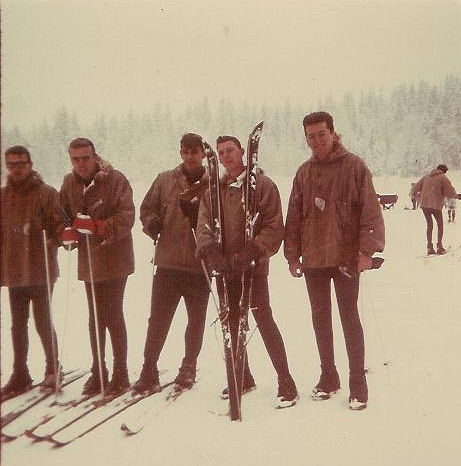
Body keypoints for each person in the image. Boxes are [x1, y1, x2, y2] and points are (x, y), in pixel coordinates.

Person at [284, 111, 385, 410]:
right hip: (313, 258)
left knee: (349, 318)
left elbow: (371, 211)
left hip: (345, 258)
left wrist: (366, 251)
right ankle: (329, 377)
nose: (316, 141)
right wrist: (292, 255)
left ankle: (358, 384)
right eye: (310, 136)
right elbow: (293, 217)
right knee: (320, 319)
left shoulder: (354, 166)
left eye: (321, 134)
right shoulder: (303, 173)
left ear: (332, 133)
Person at [196, 135, 298, 409]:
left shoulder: (262, 186)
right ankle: (242, 377)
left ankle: (286, 381)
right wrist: (211, 252)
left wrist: (253, 250)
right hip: (225, 268)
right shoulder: (214, 192)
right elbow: (204, 225)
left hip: (252, 268)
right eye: (221, 153)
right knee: (231, 324)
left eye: (230, 150)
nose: (226, 156)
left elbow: (274, 225)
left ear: (243, 152)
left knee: (262, 319)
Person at [132, 133, 210, 395]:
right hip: (168, 264)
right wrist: (151, 223)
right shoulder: (165, 179)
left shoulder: (214, 184)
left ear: (202, 153)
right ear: (180, 153)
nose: (190, 156)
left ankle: (189, 365)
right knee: (158, 320)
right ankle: (149, 368)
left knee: (196, 320)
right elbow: (146, 209)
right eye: (185, 151)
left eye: (195, 151)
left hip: (200, 266)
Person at [60, 138, 135, 396]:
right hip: (89, 261)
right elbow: (62, 216)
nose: (81, 163)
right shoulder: (69, 184)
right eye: (75, 159)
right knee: (95, 316)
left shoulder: (115, 180)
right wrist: (66, 234)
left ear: (95, 156)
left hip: (115, 258)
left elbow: (127, 217)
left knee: (112, 314)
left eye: (85, 157)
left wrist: (99, 226)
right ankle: (98, 370)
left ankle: (121, 372)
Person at [1, 146, 65, 399]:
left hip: (40, 268)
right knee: (17, 324)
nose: (17, 169)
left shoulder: (46, 193)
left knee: (41, 319)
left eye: (21, 163)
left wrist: (55, 237)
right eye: (11, 164)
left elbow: (61, 225)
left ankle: (53, 366)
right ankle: (20, 373)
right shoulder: (4, 196)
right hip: (14, 270)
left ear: (30, 164)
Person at [411, 164, 457, 255]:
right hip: (436, 205)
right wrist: (456, 196)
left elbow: (413, 190)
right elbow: (450, 193)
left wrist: (419, 198)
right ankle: (439, 247)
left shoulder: (426, 176)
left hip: (424, 205)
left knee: (429, 225)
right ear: (443, 171)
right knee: (440, 225)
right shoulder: (443, 178)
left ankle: (429, 247)